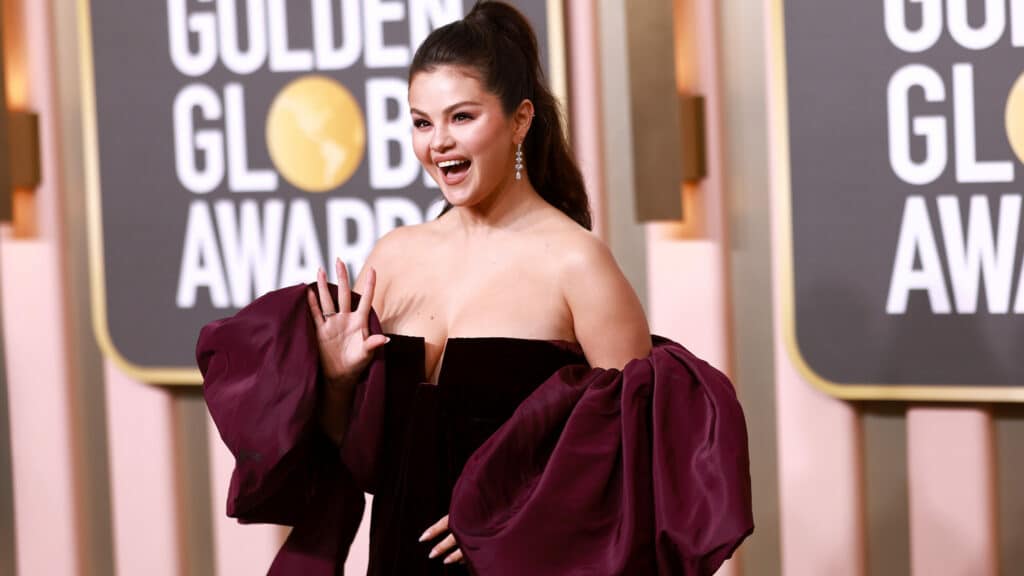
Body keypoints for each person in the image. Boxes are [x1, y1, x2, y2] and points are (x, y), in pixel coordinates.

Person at [199, 2, 752, 575]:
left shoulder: (578, 263)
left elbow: (632, 469)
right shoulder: (393, 257)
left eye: (461, 117)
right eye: (421, 122)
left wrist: (511, 522)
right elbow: (365, 466)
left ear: (520, 120)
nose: (438, 142)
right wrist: (338, 384)